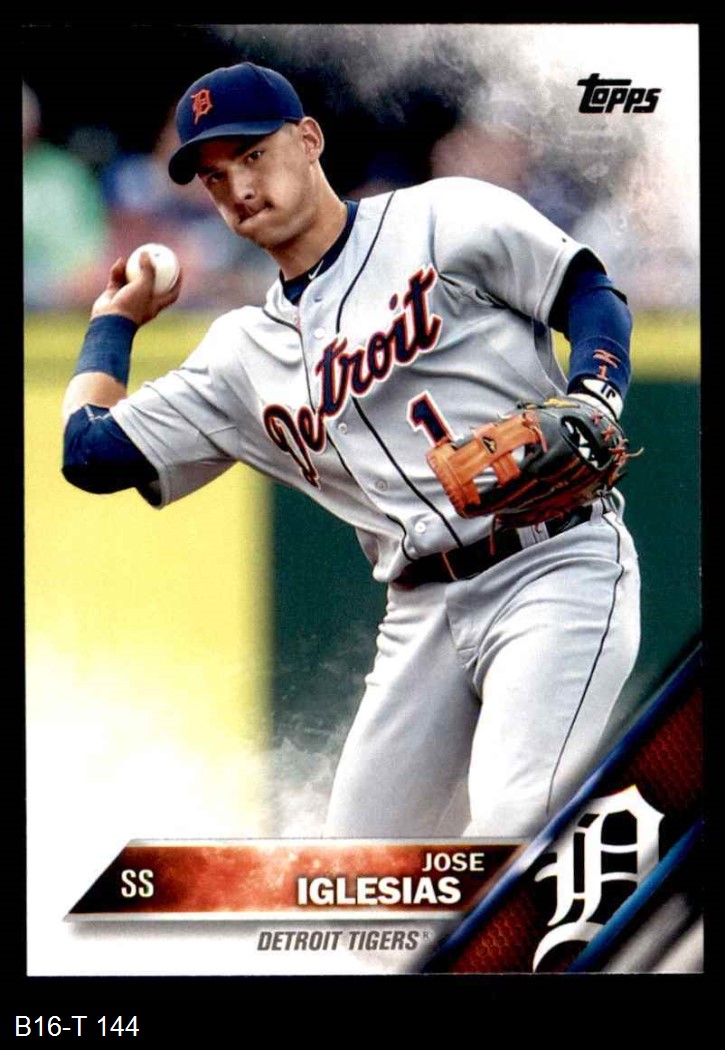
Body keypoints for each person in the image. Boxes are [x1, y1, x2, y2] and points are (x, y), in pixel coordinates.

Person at [61, 62, 640, 839]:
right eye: (214, 175)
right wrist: (113, 322)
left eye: (252, 155)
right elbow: (90, 454)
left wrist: (595, 394)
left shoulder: (441, 215)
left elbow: (586, 291)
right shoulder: (239, 355)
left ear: (308, 140)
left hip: (553, 565)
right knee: (353, 878)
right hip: (420, 612)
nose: (237, 188)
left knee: (511, 827)